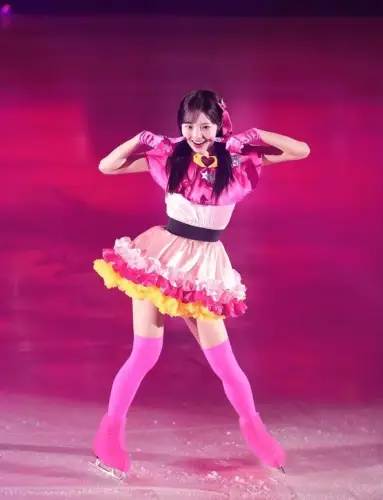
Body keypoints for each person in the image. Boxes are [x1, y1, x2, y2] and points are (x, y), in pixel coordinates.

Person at [92, 89, 310, 478]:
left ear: (219, 125)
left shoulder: (237, 159)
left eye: (205, 126)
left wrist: (257, 134)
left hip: (205, 268)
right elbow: (107, 167)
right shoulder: (170, 157)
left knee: (224, 361)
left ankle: (254, 429)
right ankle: (109, 435)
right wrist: (140, 139)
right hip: (161, 259)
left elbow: (301, 150)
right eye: (189, 126)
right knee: (145, 353)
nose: (196, 134)